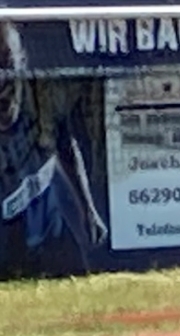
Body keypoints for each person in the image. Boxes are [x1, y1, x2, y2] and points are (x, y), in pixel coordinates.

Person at [0, 22, 108, 280]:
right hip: (8, 231)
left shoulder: (39, 96)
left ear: (21, 62)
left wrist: (88, 210)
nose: (2, 83)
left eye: (7, 65)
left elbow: (63, 142)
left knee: (76, 284)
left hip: (49, 222)